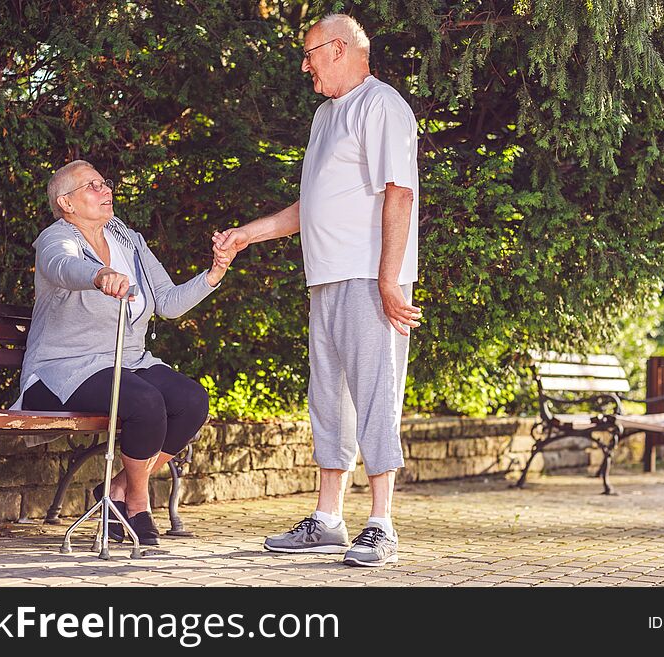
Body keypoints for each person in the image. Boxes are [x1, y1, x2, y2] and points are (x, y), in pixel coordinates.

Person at [213, 14, 420, 567]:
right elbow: (315, 207)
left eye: (309, 54)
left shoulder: (383, 105)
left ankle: (381, 523)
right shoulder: (326, 116)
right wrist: (247, 235)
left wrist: (387, 279)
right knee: (329, 400)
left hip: (369, 277)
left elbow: (399, 194)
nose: (304, 65)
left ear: (340, 49)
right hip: (325, 276)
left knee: (377, 394)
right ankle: (329, 518)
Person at [16, 159, 233, 546]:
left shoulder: (127, 239)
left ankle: (114, 491)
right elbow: (62, 266)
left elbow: (167, 302)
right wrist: (98, 275)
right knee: (145, 402)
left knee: (191, 400)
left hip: (128, 359)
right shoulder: (56, 237)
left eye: (105, 183)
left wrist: (214, 274)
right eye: (92, 186)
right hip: (65, 368)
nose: (106, 190)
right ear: (66, 203)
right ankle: (136, 500)